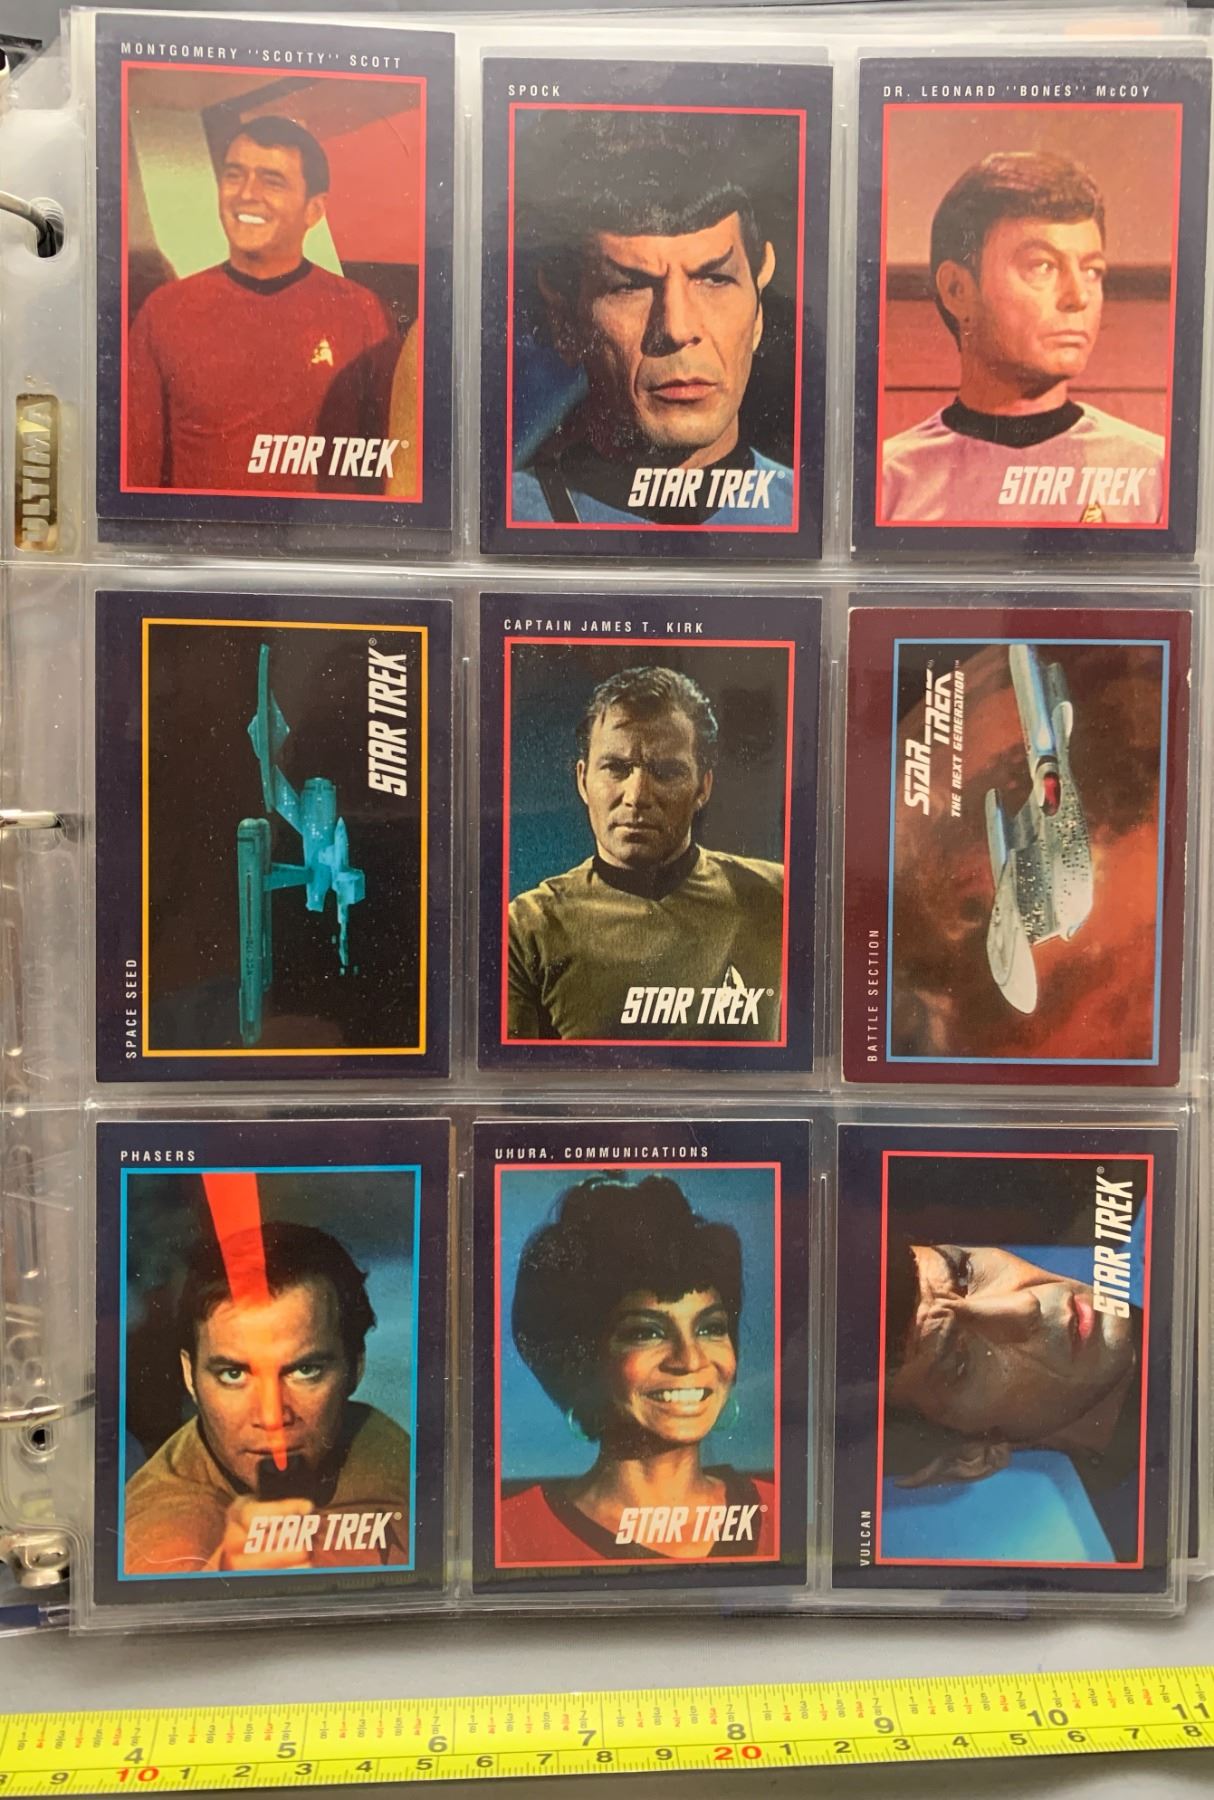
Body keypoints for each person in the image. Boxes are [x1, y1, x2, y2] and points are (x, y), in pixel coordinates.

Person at [512, 110, 793, 526]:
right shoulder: (504, 516)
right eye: (630, 288)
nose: (677, 329)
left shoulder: (815, 516)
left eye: (714, 279)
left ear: (758, 309)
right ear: (565, 321)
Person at [882, 149, 1166, 526]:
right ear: (957, 290)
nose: (1078, 297)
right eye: (1042, 266)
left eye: (1092, 271)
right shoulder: (890, 482)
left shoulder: (1154, 475)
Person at [501, 1175, 775, 1563]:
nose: (690, 1360)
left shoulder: (782, 1512)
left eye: (711, 1328)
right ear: (584, 1359)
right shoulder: (511, 1534)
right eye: (646, 1332)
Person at [126, 115, 401, 495]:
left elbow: (390, 466)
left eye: (272, 181)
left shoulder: (362, 311)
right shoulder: (164, 311)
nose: (246, 194)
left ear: (314, 210)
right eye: (234, 175)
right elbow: (136, 476)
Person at [506, 665, 785, 1041]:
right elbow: (512, 1077)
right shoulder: (528, 928)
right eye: (616, 768)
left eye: (666, 771)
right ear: (583, 780)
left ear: (703, 788)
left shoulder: (781, 898)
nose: (637, 796)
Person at [123, 1220, 411, 1575]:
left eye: (305, 1370)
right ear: (189, 1375)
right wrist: (224, 1573)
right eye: (233, 1374)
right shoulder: (162, 1522)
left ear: (356, 1368)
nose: (272, 1417)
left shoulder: (386, 1446)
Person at [882, 1236, 1143, 1560]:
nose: (1026, 1307)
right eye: (962, 1362)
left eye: (964, 1273)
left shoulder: (1169, 1233)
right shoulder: (1160, 1549)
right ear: (969, 1458)